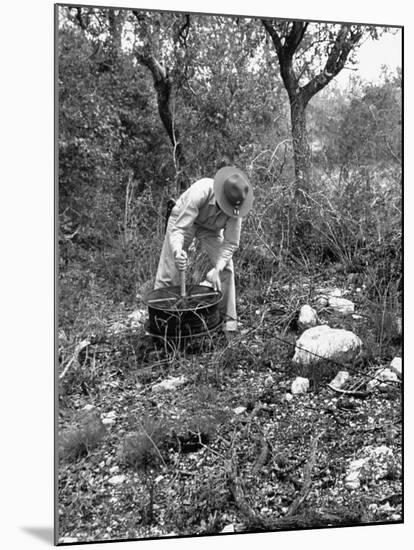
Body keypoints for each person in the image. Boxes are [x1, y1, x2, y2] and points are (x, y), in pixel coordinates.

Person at [154, 166, 254, 339]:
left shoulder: (237, 207)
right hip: (183, 221)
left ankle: (228, 325)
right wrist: (178, 251)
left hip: (211, 229)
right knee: (169, 270)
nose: (228, 212)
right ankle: (161, 326)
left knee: (227, 269)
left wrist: (217, 269)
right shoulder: (200, 192)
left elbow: (231, 243)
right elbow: (178, 229)